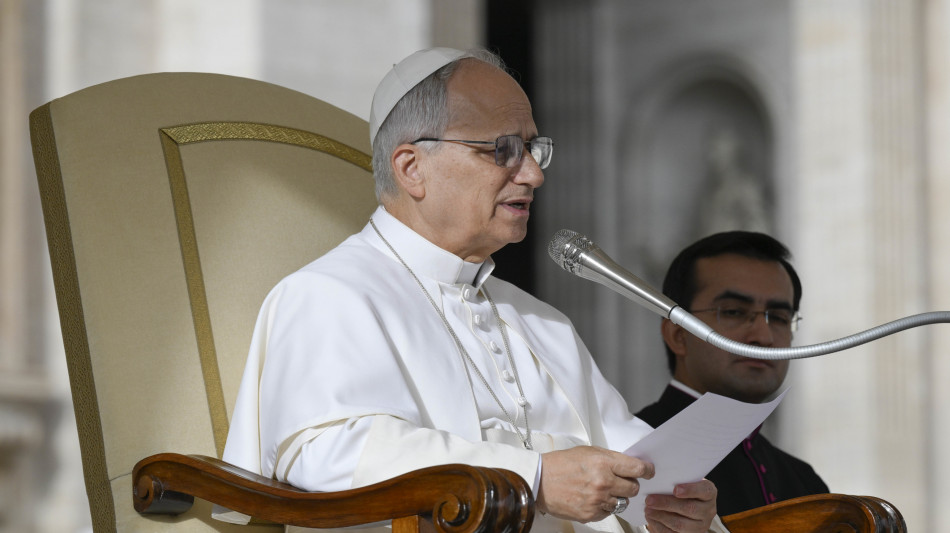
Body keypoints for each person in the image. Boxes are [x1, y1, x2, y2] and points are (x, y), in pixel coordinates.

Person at [218, 47, 725, 533]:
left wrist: (675, 505)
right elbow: (325, 453)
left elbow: (629, 453)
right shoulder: (328, 295)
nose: (532, 174)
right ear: (412, 168)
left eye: (532, 148)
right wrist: (535, 479)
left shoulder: (541, 321)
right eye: (502, 149)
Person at [634, 231, 829, 517]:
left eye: (778, 317)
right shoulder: (630, 455)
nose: (763, 336)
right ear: (678, 334)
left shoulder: (805, 483)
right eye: (735, 312)